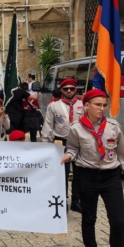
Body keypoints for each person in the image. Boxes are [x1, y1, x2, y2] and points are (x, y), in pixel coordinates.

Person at [61, 89, 124, 247]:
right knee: (88, 219)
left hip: (110, 177)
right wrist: (69, 155)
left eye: (105, 105)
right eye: (98, 105)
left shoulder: (113, 126)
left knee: (118, 220)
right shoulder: (76, 128)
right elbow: (73, 148)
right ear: (86, 106)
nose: (102, 109)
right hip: (87, 176)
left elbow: (122, 152)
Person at [41, 78, 84, 212]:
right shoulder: (54, 106)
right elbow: (48, 125)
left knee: (79, 173)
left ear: (76, 89)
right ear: (61, 90)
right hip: (61, 142)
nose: (69, 91)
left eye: (72, 88)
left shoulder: (83, 105)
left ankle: (76, 201)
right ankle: (62, 200)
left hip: (80, 143)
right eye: (66, 89)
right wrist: (45, 144)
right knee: (62, 174)